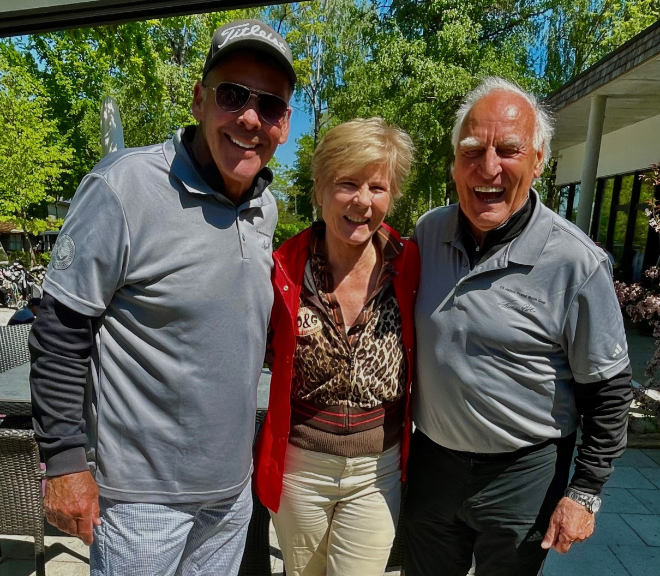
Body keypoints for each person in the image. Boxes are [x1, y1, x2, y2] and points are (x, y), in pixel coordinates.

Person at [29, 18, 295, 576]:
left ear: (284, 124)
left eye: (269, 105)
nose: (250, 118)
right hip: (138, 500)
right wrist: (64, 462)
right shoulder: (123, 186)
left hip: (229, 493)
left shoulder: (265, 207)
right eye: (233, 95)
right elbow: (59, 332)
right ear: (199, 100)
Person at [406, 77, 632, 576]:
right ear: (454, 163)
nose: (488, 167)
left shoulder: (576, 262)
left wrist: (585, 492)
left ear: (539, 160)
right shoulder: (428, 232)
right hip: (433, 465)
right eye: (472, 151)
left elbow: (610, 389)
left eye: (509, 150)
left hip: (524, 476)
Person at [254, 117, 419, 576]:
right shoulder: (282, 268)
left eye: (377, 187)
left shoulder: (410, 266)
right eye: (347, 183)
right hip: (300, 467)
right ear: (320, 189)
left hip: (376, 471)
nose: (362, 200)